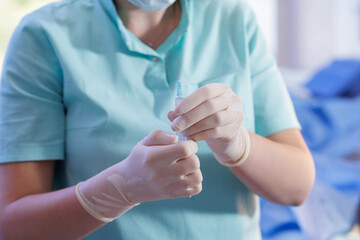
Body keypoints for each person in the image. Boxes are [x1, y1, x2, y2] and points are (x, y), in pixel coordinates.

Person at [0, 0, 315, 239]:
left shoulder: (231, 17)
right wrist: (117, 190)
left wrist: (239, 144)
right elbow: (13, 225)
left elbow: (296, 188)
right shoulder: (46, 34)